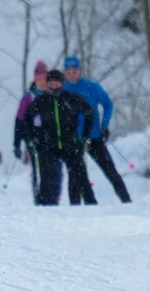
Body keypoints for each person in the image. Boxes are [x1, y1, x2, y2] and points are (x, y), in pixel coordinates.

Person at [62, 55, 131, 203]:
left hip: (93, 137)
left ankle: (127, 202)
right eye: (69, 72)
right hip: (74, 140)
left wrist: (104, 126)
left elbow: (107, 105)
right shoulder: (63, 91)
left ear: (80, 71)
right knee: (74, 178)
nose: (72, 74)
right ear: (65, 73)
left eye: (75, 71)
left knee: (110, 172)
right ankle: (74, 213)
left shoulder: (92, 87)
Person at [23, 70, 95, 206]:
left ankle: (90, 204)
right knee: (47, 178)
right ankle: (45, 206)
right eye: (51, 81)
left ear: (62, 83)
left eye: (57, 81)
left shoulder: (70, 98)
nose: (54, 84)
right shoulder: (42, 100)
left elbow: (89, 113)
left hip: (70, 143)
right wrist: (34, 138)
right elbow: (27, 117)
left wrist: (85, 137)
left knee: (80, 176)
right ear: (47, 83)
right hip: (49, 144)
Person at [15, 60, 62, 204]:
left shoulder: (54, 95)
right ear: (35, 80)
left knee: (56, 167)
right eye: (39, 79)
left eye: (44, 79)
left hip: (52, 135)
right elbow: (19, 120)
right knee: (38, 168)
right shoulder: (28, 97)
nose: (41, 82)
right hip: (34, 136)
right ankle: (39, 197)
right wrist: (17, 143)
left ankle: (54, 196)